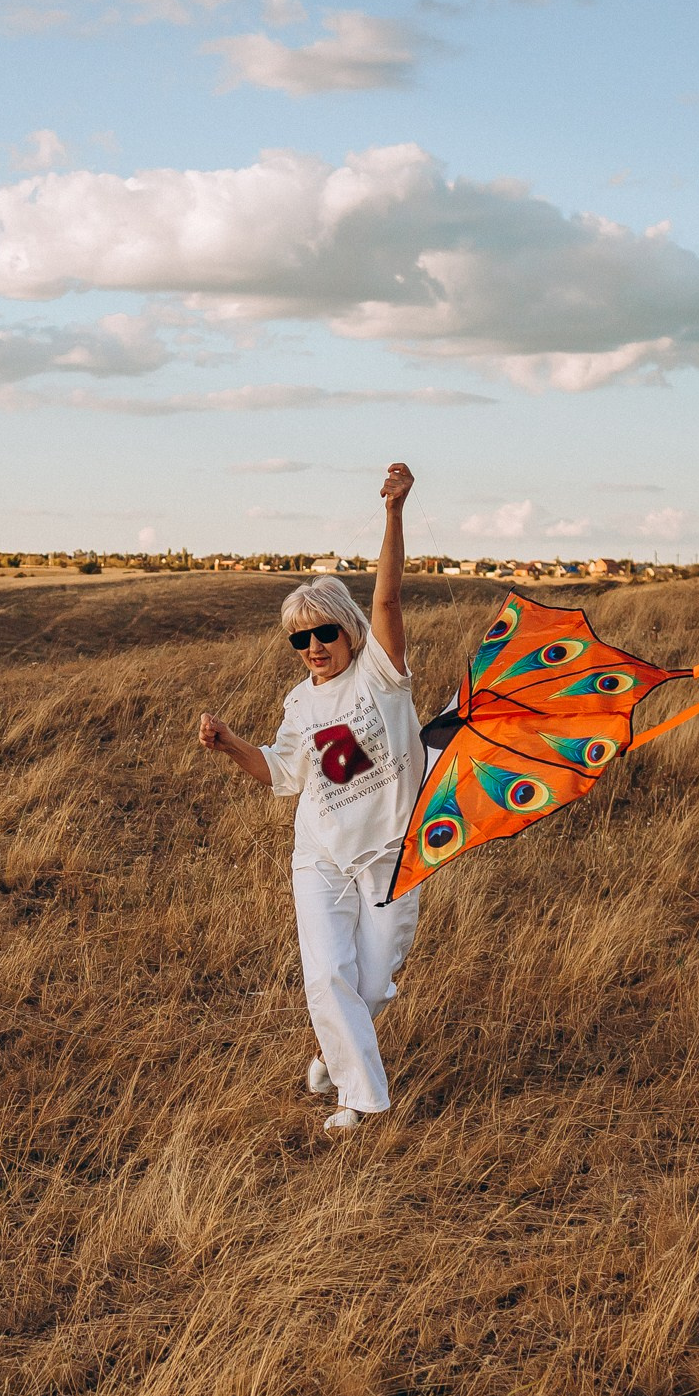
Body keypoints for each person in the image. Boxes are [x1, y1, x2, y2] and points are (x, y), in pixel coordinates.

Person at [198, 464, 424, 1132]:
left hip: (393, 856)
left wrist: (393, 511)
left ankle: (332, 1054)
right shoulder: (299, 703)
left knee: (372, 984)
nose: (314, 647)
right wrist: (229, 743)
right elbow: (282, 774)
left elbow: (389, 601)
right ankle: (359, 1101)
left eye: (324, 633)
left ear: (349, 630)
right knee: (327, 976)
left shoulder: (381, 674)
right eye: (300, 639)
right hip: (321, 855)